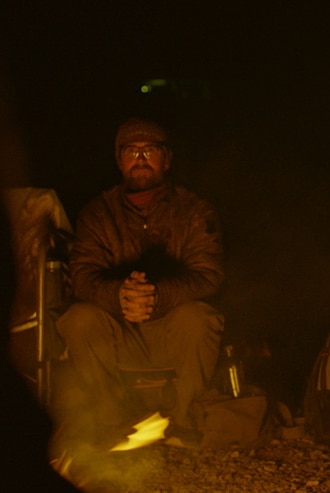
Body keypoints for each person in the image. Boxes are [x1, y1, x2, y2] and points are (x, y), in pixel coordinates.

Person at [54, 118, 225, 450]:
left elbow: (209, 275)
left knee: (199, 318)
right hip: (120, 331)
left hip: (171, 331)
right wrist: (119, 295)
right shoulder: (97, 213)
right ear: (120, 161)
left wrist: (157, 296)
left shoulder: (194, 209)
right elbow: (83, 276)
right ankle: (108, 424)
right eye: (132, 151)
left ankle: (186, 421)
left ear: (167, 159)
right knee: (79, 319)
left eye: (150, 150)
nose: (141, 159)